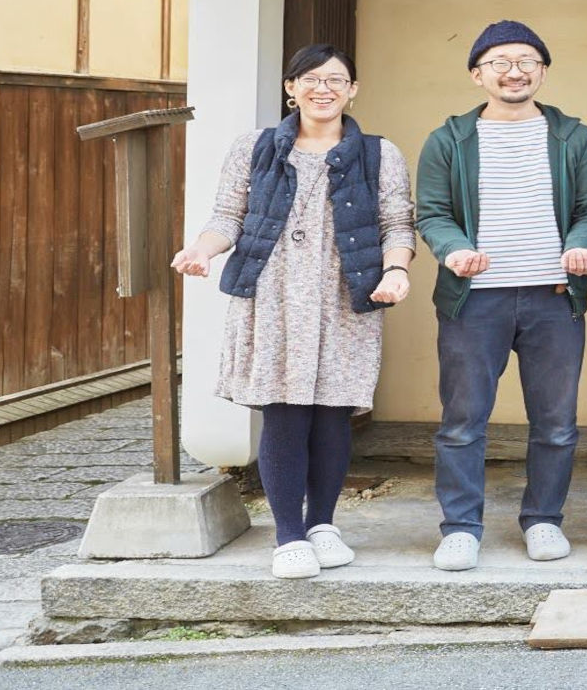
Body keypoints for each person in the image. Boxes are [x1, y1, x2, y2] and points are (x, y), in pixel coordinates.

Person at [171, 43, 415, 580]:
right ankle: (289, 537)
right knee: (284, 409)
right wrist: (202, 251)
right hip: (273, 295)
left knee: (333, 412)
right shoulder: (255, 148)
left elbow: (397, 224)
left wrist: (396, 272)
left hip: (346, 295)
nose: (322, 89)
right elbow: (227, 215)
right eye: (310, 78)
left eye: (335, 80)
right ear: (290, 88)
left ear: (352, 90)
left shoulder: (379, 154)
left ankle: (323, 524)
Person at [416, 20, 587, 572]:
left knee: (556, 421)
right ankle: (460, 528)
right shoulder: (449, 139)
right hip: (474, 301)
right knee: (462, 421)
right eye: (500, 62)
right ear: (477, 74)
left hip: (553, 297)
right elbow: (432, 213)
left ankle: (543, 520)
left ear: (543, 72)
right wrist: (453, 251)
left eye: (527, 61)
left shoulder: (574, 137)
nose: (514, 71)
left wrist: (581, 246)